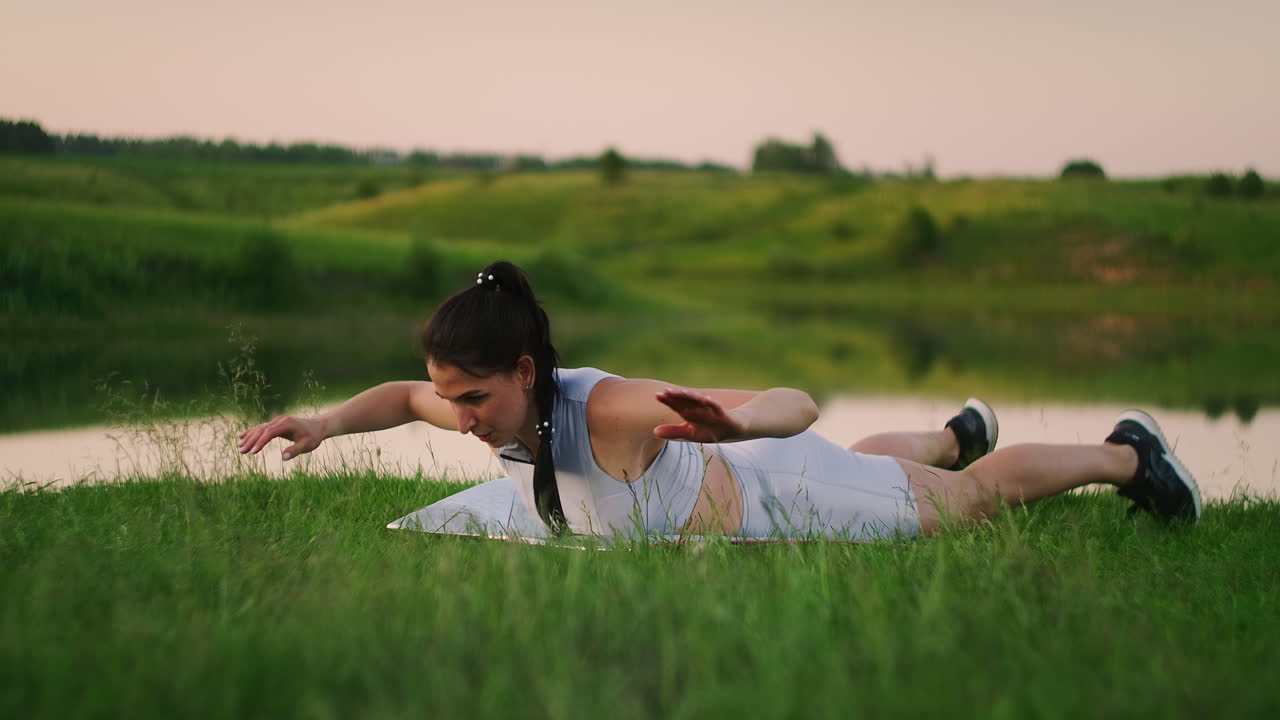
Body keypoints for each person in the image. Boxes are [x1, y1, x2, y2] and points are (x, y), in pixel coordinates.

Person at [237, 260, 1201, 541]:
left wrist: (739, 423)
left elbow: (799, 401)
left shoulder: (608, 408)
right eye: (454, 398)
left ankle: (1129, 454)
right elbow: (404, 396)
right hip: (742, 480)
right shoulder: (487, 407)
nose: (459, 416)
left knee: (969, 507)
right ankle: (952, 434)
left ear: (527, 371)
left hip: (772, 476)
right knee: (877, 467)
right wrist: (324, 422)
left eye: (473, 397)